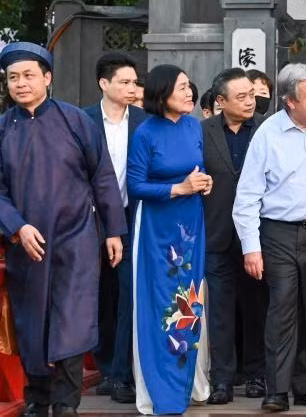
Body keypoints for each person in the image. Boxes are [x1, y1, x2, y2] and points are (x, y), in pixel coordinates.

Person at [0, 42, 127, 416]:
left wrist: (113, 231)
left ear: (48, 78)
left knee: (73, 319)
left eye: (28, 75)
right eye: (12, 77)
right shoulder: (3, 129)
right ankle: (38, 397)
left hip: (77, 238)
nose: (21, 84)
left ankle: (66, 403)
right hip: (28, 243)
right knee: (31, 321)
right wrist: (17, 227)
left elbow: (102, 176)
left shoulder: (75, 121)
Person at [233, 63, 306, 412]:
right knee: (282, 308)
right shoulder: (268, 134)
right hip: (278, 232)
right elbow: (248, 195)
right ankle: (277, 390)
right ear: (289, 102)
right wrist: (251, 247)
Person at [128, 64, 213, 415]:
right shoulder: (146, 132)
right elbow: (134, 186)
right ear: (162, 93)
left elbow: (196, 169)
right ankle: (160, 392)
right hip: (157, 229)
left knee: (190, 301)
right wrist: (178, 188)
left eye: (189, 87)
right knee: (161, 302)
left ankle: (186, 381)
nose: (189, 92)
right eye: (181, 88)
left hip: (191, 225)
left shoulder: (194, 126)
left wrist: (202, 183)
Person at [83, 52, 148, 404]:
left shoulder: (143, 121)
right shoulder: (82, 120)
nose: (131, 88)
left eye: (134, 82)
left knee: (127, 293)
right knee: (98, 294)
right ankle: (105, 366)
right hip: (88, 220)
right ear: (103, 83)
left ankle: (122, 373)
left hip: (130, 218)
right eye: (123, 82)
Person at [202, 68, 268, 404]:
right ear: (220, 101)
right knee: (221, 312)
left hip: (258, 237)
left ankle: (257, 374)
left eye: (251, 95)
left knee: (257, 308)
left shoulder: (268, 131)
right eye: (241, 96)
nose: (249, 101)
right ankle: (223, 380)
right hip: (217, 234)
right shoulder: (202, 132)